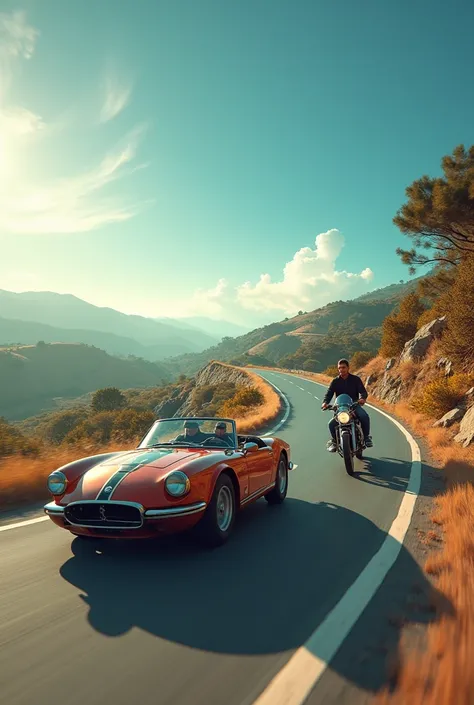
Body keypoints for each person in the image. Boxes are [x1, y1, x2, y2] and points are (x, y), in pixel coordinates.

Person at [321, 358, 373, 452]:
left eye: (343, 367)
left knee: (364, 416)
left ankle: (366, 438)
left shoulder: (355, 379)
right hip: (340, 408)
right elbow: (329, 393)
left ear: (348, 368)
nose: (341, 370)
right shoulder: (335, 381)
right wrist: (325, 402)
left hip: (353, 406)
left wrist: (362, 398)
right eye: (339, 368)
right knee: (331, 424)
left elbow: (363, 391)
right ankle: (334, 442)